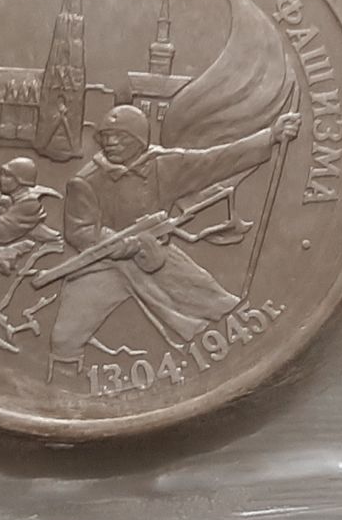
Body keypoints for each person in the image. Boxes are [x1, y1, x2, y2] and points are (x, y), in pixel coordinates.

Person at [48, 104, 300, 372]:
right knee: (65, 337)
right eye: (106, 136)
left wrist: (269, 137)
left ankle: (224, 366)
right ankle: (63, 379)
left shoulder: (164, 164)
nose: (111, 143)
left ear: (138, 139)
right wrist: (119, 243)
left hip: (157, 256)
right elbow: (80, 231)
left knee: (221, 306)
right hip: (103, 264)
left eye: (120, 136)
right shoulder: (84, 181)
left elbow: (215, 161)